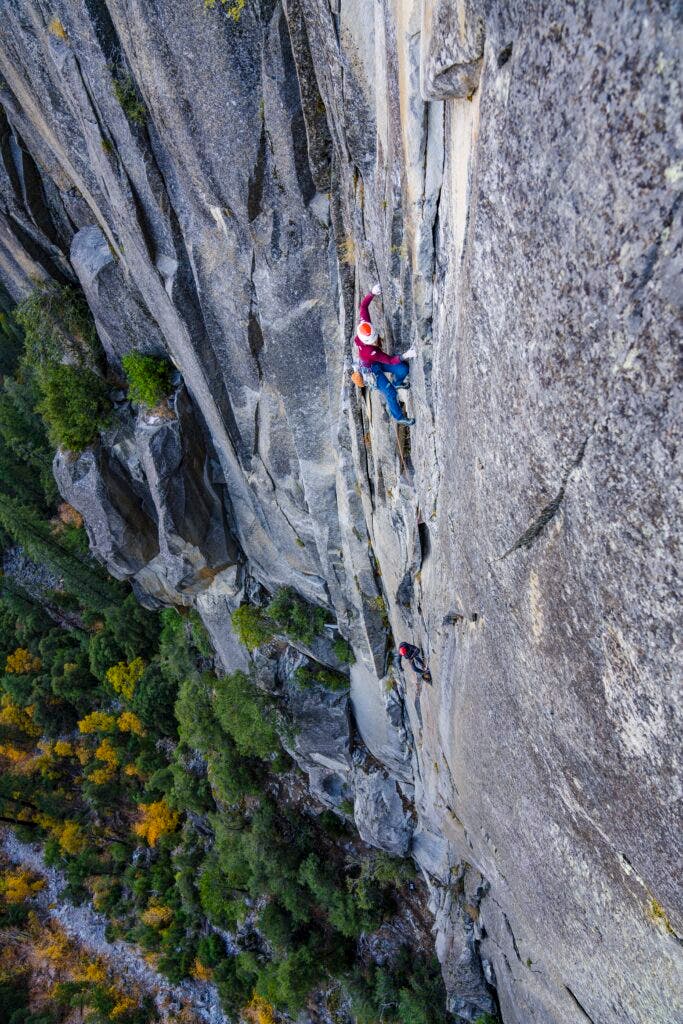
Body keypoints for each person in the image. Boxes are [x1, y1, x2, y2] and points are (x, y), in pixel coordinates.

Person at [354, 284, 416, 426]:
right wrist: (406, 355)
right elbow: (389, 359)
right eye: (374, 340)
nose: (377, 340)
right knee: (391, 394)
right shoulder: (369, 350)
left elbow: (363, 307)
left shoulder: (364, 326)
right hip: (372, 372)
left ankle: (398, 382)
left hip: (373, 363)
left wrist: (372, 293)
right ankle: (399, 417)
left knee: (403, 369)